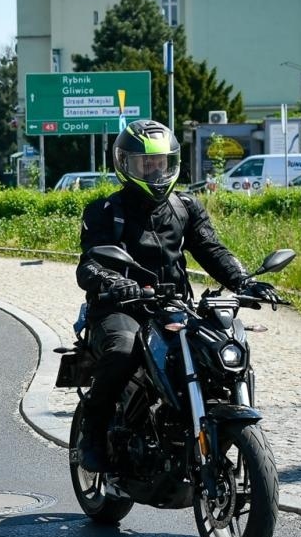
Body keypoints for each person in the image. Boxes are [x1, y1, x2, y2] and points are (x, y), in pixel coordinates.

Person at [74, 119, 277, 473]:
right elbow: (89, 265)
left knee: (221, 349)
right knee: (123, 350)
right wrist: (114, 281)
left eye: (161, 163)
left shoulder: (185, 207)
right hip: (122, 307)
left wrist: (243, 281)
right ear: (125, 165)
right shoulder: (106, 211)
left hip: (175, 305)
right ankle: (92, 430)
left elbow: (211, 249)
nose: (155, 171)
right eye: (145, 164)